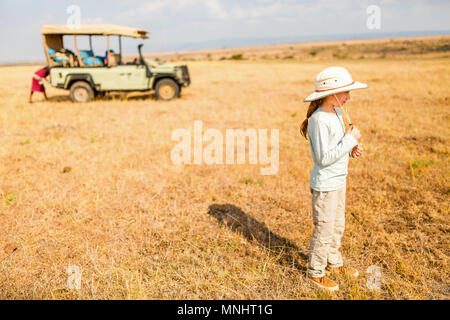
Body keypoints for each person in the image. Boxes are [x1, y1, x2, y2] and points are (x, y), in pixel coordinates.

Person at [300, 66, 369, 291]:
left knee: (337, 225)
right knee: (325, 228)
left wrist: (351, 149)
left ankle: (333, 262)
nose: (349, 97)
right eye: (346, 92)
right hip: (326, 185)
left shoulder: (338, 113)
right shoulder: (319, 120)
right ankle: (315, 272)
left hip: (340, 180)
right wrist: (349, 140)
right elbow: (323, 158)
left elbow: (337, 148)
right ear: (331, 95)